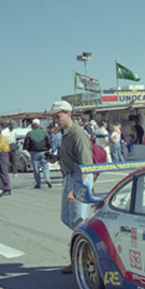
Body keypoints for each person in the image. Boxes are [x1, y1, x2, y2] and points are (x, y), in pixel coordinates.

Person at [49, 100, 94, 273]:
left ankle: (81, 260)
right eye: (54, 116)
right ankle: (80, 256)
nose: (56, 119)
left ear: (69, 113)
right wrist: (55, 159)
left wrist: (76, 189)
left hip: (78, 178)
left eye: (58, 115)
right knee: (67, 217)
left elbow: (85, 165)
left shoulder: (78, 134)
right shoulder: (66, 134)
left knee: (78, 222)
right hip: (69, 177)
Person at [24, 118, 53, 189]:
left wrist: (29, 150)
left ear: (32, 125)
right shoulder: (44, 133)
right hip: (44, 151)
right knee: (45, 166)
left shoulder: (29, 134)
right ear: (39, 125)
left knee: (36, 168)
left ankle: (38, 183)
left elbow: (26, 144)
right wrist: (48, 150)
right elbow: (49, 143)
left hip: (34, 152)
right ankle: (47, 179)